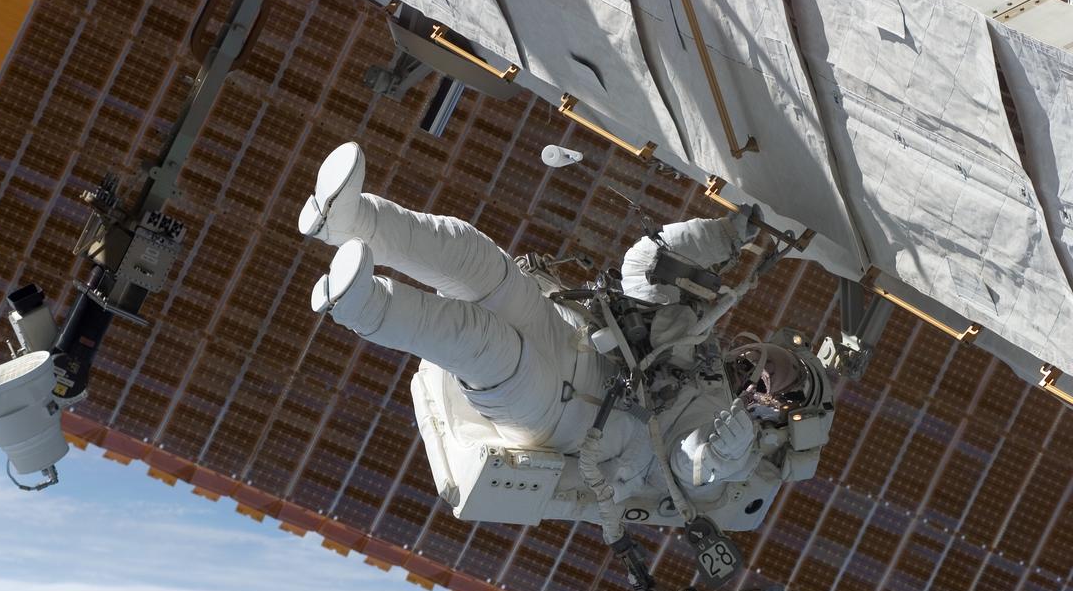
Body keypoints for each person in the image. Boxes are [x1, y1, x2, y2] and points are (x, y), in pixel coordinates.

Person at [297, 141, 817, 519]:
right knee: (477, 258)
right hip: (568, 336)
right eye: (782, 361)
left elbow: (690, 466)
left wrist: (724, 448)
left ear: (781, 411)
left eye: (784, 382)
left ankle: (361, 304)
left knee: (483, 343)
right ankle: (349, 220)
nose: (769, 370)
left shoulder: (730, 440)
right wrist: (727, 235)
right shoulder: (695, 339)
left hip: (563, 414)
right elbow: (646, 267)